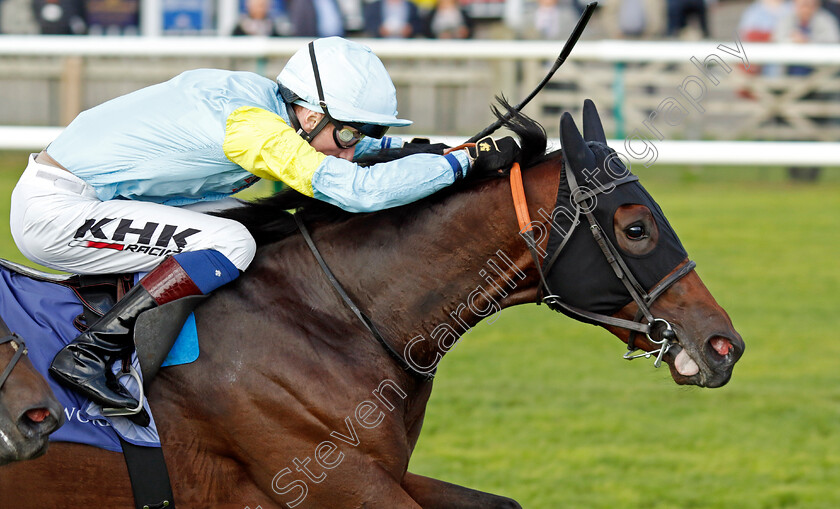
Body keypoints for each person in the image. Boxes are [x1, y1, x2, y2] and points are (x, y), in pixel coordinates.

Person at [9, 37, 518, 423]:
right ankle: (94, 350)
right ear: (309, 111)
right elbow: (356, 189)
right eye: (346, 131)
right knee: (232, 240)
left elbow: (348, 157)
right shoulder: (251, 128)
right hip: (57, 212)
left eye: (364, 134)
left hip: (103, 199)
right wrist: (462, 165)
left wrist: (442, 153)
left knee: (266, 220)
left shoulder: (277, 110)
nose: (350, 145)